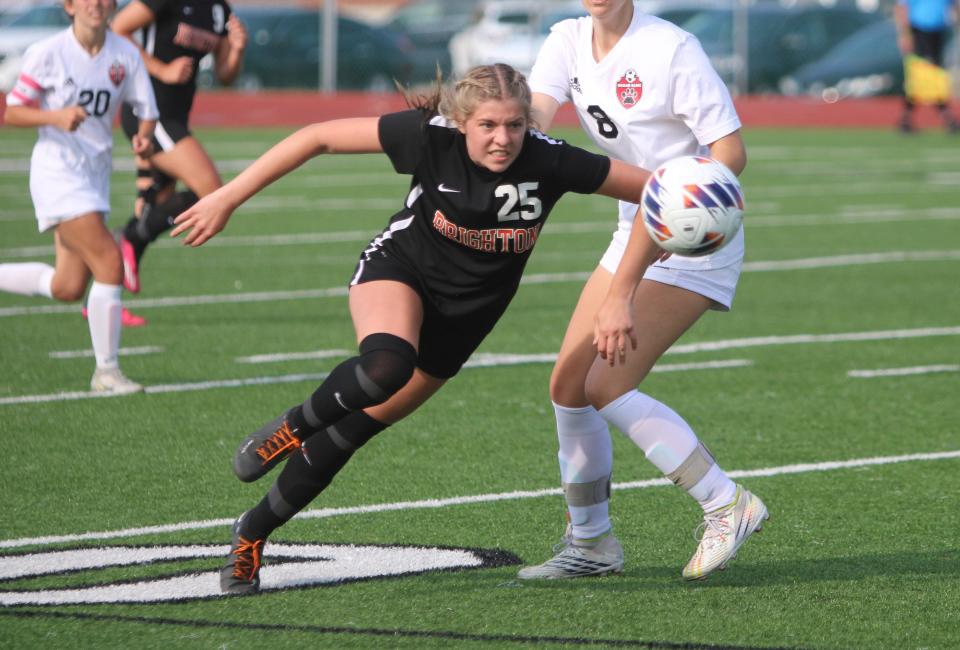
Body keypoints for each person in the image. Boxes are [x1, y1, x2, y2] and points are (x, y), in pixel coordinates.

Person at [170, 63, 659, 595]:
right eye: (488, 126)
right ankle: (290, 427)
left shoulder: (551, 159)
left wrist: (628, 286)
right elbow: (316, 138)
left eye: (515, 125)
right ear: (462, 121)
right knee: (386, 366)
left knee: (350, 434)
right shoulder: (431, 136)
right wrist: (226, 197)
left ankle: (251, 535)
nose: (503, 139)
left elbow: (660, 195)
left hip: (465, 319)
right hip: (400, 270)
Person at [516, 0, 768, 581]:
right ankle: (592, 545)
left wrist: (692, 198)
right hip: (632, 228)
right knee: (569, 387)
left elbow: (731, 151)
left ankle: (725, 502)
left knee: (606, 383)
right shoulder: (567, 39)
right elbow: (534, 117)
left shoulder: (671, 48)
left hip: (691, 233)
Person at [0, 0, 158, 394]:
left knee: (67, 286)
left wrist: (143, 136)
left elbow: (146, 109)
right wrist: (55, 116)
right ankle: (106, 373)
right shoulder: (48, 52)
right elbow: (13, 112)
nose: (96, 4)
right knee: (109, 261)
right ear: (69, 6)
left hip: (95, 177)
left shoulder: (124, 54)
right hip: (58, 174)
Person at [110, 0, 247, 294]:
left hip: (175, 118)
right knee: (211, 190)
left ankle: (103, 296)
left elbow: (225, 76)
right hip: (150, 114)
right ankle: (129, 237)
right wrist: (161, 69)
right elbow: (117, 29)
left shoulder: (219, 9)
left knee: (156, 203)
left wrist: (236, 48)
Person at [894, 0, 959, 133]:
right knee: (922, 75)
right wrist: (905, 34)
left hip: (939, 32)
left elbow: (954, 6)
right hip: (919, 31)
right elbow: (902, 8)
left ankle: (907, 118)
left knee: (936, 75)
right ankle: (945, 116)